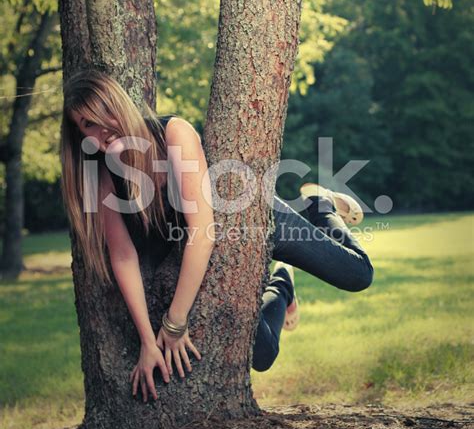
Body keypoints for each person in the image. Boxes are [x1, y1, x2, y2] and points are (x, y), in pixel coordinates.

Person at [60, 69, 374, 402]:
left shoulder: (173, 134)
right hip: (217, 251)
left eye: (104, 112)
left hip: (253, 216)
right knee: (263, 355)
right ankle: (282, 281)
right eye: (88, 124)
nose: (103, 129)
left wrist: (174, 323)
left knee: (357, 275)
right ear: (81, 137)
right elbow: (123, 256)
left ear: (120, 105)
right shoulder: (102, 175)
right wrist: (148, 343)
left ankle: (319, 205)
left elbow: (201, 231)